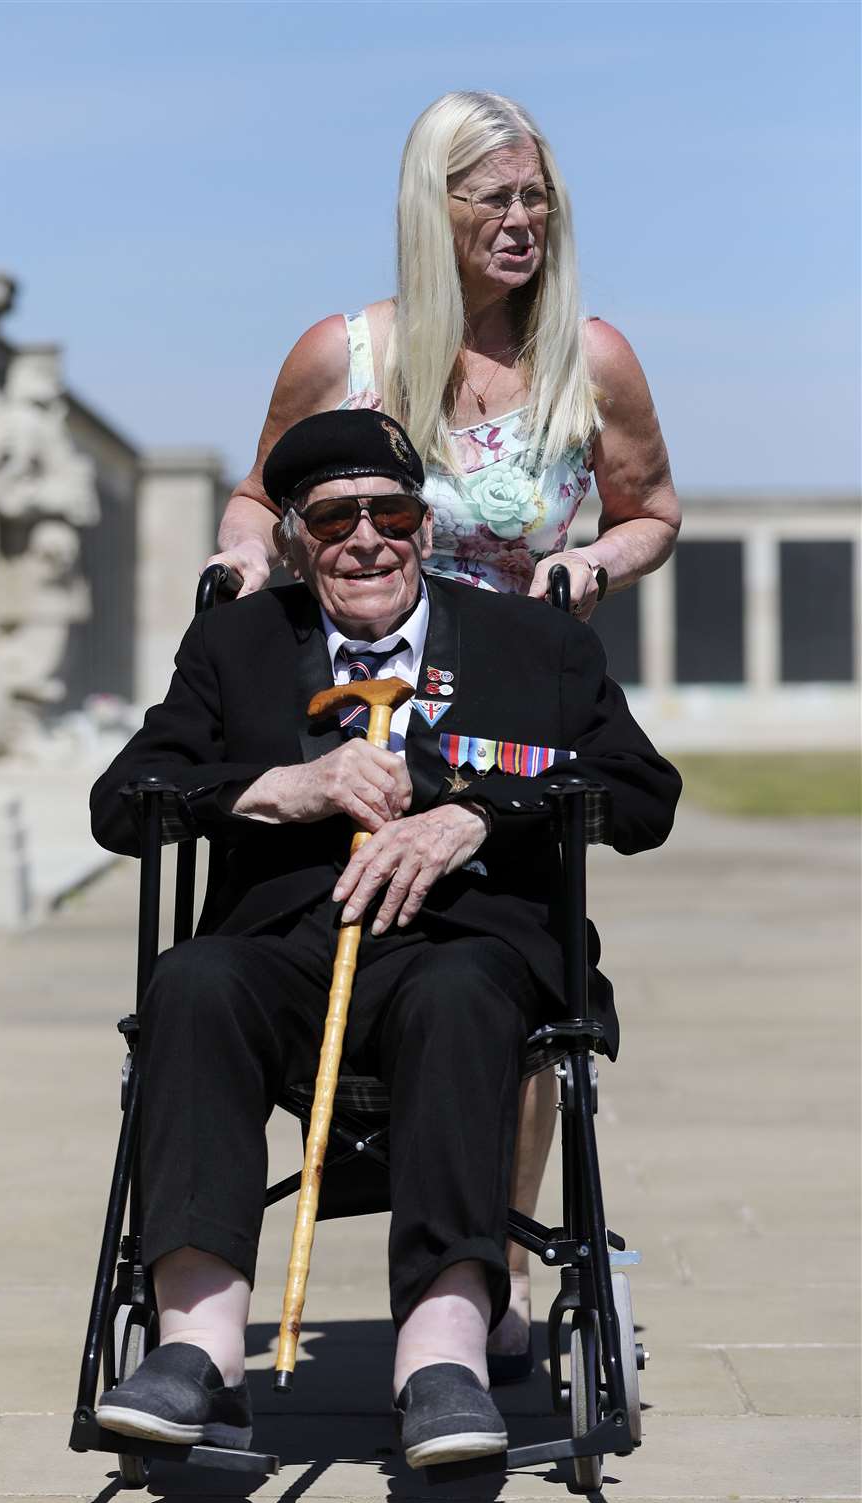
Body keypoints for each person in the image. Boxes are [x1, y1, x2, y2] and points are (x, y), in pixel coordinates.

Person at [90, 410, 680, 1468]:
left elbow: (640, 797)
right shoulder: (237, 644)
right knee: (192, 981)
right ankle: (199, 1350)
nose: (366, 537)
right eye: (333, 518)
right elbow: (125, 798)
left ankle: (443, 1352)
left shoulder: (531, 643)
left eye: (391, 511)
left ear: (422, 523)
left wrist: (473, 809)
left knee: (459, 997)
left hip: (472, 945)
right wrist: (279, 788)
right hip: (283, 952)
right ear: (298, 540)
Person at [206, 89, 681, 1375]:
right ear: (437, 209)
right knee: (295, 937)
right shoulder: (344, 354)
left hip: (516, 704)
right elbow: (263, 491)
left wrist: (593, 561)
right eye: (496, 199)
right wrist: (245, 561)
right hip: (350, 682)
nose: (523, 221)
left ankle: (497, 1272)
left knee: (509, 956)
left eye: (538, 198)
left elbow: (654, 507)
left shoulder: (596, 359)